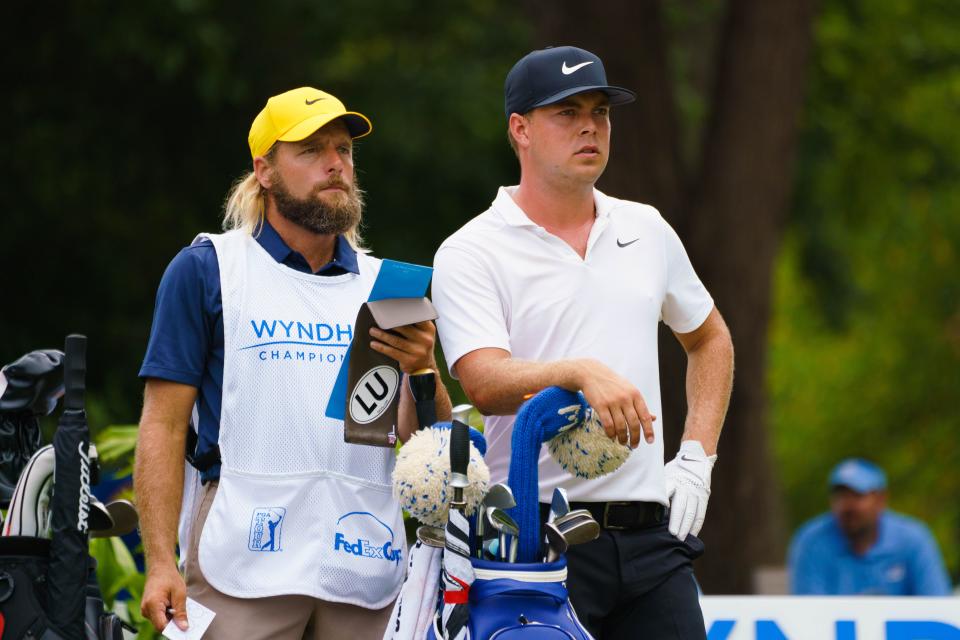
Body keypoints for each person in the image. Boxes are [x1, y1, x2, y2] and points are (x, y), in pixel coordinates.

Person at [432, 46, 735, 639]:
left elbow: (710, 338)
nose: (590, 125)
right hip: (532, 544)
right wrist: (578, 371)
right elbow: (484, 384)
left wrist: (697, 458)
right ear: (520, 129)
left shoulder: (645, 227)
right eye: (566, 112)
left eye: (600, 110)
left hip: (652, 539)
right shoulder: (471, 250)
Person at [134, 87, 451, 640]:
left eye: (344, 150)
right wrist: (160, 561)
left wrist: (425, 372)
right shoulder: (209, 269)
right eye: (310, 150)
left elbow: (427, 444)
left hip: (364, 569)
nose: (335, 164)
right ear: (265, 170)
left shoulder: (390, 287)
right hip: (243, 565)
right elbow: (162, 426)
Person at [788, 458, 951, 596]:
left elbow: (935, 601)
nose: (848, 505)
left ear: (881, 499)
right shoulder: (812, 540)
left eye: (858, 496)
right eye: (840, 496)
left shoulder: (912, 538)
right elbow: (809, 611)